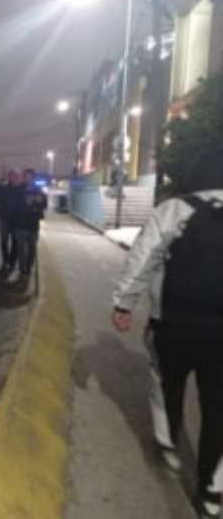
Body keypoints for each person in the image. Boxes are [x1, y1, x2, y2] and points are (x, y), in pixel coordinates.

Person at [112, 148, 223, 519]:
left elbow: (142, 258)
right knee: (219, 410)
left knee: (165, 383)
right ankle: (211, 493)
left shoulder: (174, 210)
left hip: (173, 321)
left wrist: (124, 304)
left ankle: (166, 442)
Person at [11, 168, 47, 279]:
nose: (28, 179)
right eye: (26, 176)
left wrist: (36, 204)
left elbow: (44, 204)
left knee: (32, 249)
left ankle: (29, 267)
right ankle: (23, 271)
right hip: (20, 225)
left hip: (33, 225)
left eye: (30, 177)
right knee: (21, 250)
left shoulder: (39, 190)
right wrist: (26, 205)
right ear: (23, 177)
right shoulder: (18, 190)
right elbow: (14, 206)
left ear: (33, 177)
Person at [0, 170, 22, 272]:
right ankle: (5, 260)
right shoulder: (3, 188)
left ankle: (12, 262)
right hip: (5, 220)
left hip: (16, 221)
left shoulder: (21, 189)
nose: (13, 178)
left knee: (15, 242)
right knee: (4, 242)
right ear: (8, 177)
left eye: (15, 176)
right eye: (11, 176)